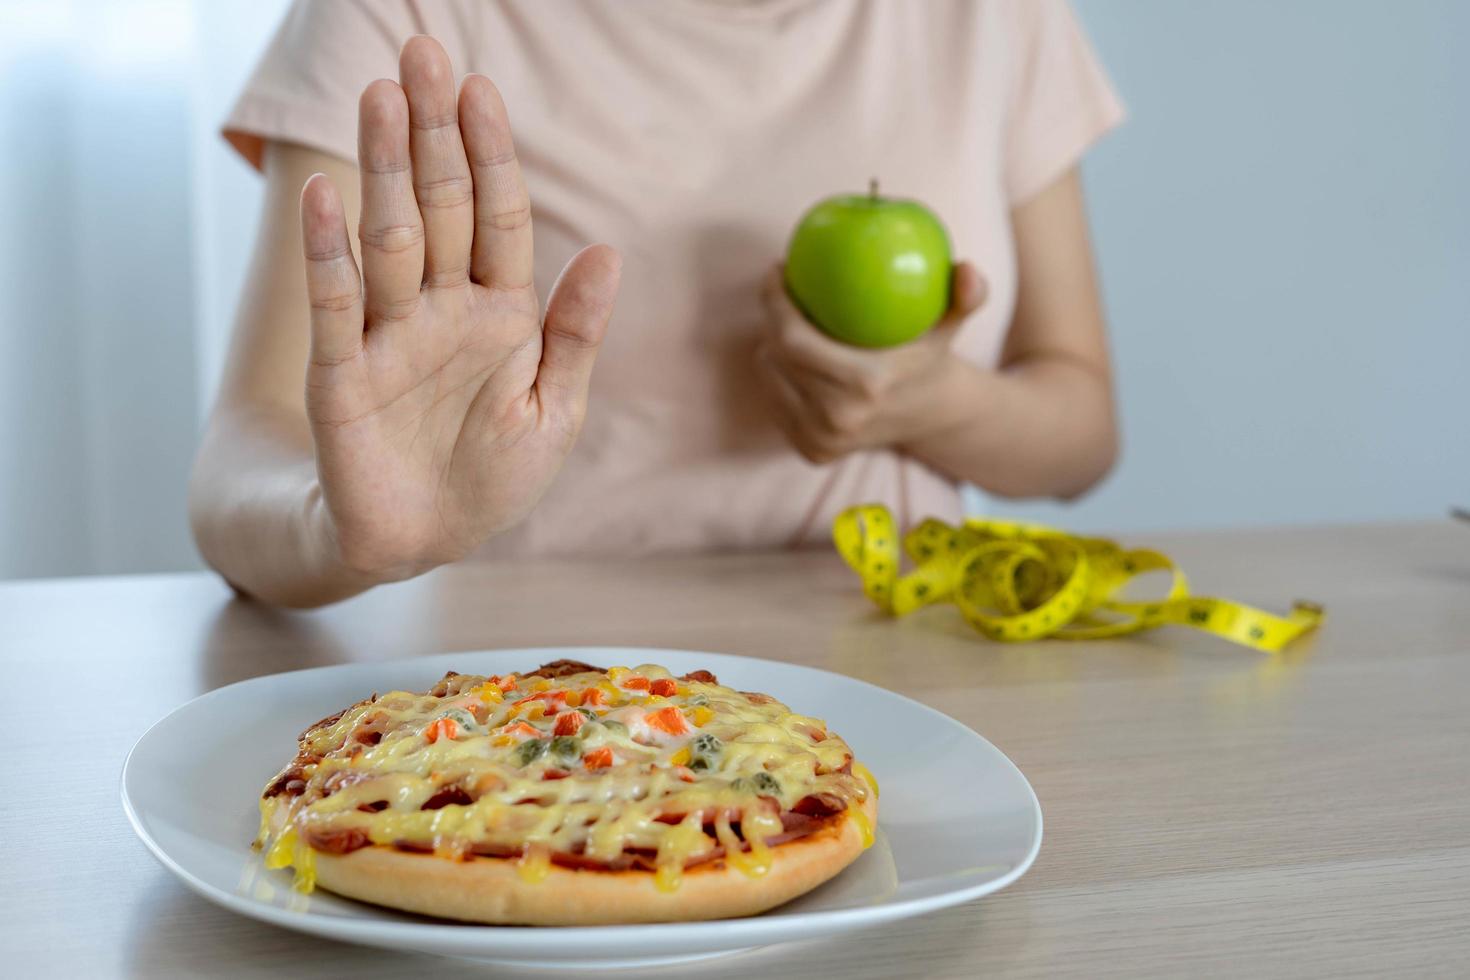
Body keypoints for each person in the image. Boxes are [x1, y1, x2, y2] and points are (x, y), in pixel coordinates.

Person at [190, 0, 1124, 608]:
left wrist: (943, 406)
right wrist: (342, 531)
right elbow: (237, 460)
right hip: (529, 710)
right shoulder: (396, 15)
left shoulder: (999, 18)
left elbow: (1084, 432)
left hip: (907, 676)